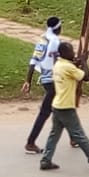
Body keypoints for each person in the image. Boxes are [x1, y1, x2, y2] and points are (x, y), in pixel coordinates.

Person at [39, 42, 89, 171]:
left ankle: (46, 160)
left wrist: (77, 63)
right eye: (71, 51)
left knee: (54, 134)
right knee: (79, 134)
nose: (73, 53)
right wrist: (83, 62)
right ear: (65, 53)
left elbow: (71, 71)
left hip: (57, 105)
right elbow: (86, 77)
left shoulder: (58, 64)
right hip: (66, 107)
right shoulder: (68, 67)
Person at [22, 16, 61, 154]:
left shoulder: (43, 39)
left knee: (59, 110)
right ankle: (30, 142)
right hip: (53, 80)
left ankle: (74, 137)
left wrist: (28, 80)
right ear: (58, 28)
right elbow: (57, 61)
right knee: (51, 111)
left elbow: (34, 60)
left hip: (44, 79)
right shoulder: (55, 41)